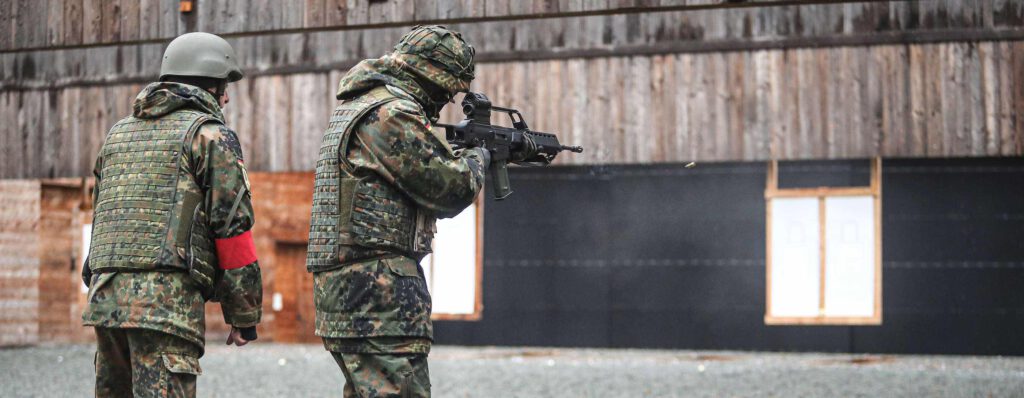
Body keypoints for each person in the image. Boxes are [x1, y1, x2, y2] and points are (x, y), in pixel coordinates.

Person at [306, 25, 488, 397]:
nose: (445, 100)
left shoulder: (360, 105)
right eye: (446, 89)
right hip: (379, 294)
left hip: (357, 289)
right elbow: (449, 189)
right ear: (430, 76)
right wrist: (477, 159)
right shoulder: (391, 113)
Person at [81, 32, 263, 398]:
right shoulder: (209, 136)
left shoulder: (118, 135)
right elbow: (232, 230)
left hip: (106, 304)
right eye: (224, 85)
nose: (226, 96)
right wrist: (243, 315)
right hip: (165, 308)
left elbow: (102, 215)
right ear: (209, 84)